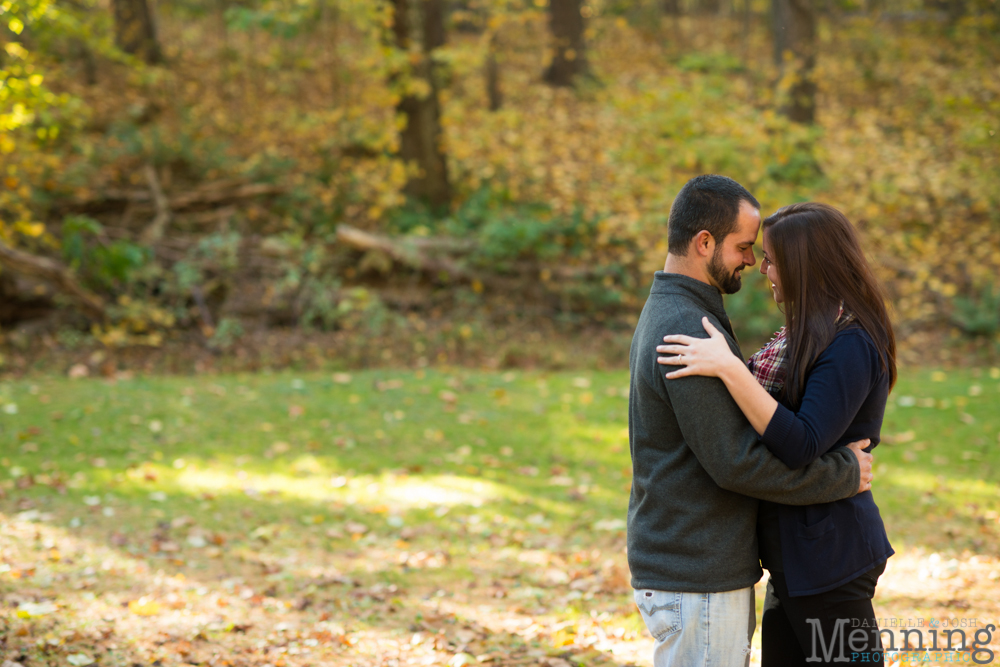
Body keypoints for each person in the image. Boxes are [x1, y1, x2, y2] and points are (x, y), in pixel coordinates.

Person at [627, 175, 874, 667]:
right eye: (744, 247)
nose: (753, 263)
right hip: (697, 572)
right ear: (704, 243)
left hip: (722, 565)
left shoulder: (684, 312)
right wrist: (844, 474)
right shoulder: (683, 324)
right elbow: (736, 462)